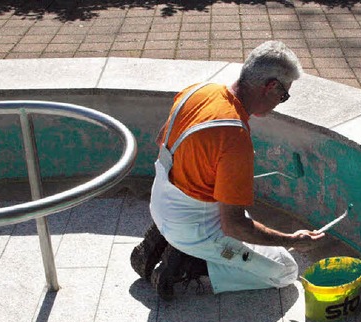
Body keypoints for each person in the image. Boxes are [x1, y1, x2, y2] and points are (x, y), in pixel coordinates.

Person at [130, 40, 325, 301]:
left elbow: (164, 142)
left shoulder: (198, 91)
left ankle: (173, 238)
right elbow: (234, 226)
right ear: (271, 86)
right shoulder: (234, 137)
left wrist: (217, 174)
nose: (281, 102)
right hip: (195, 227)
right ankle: (187, 263)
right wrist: (291, 238)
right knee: (285, 272)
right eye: (284, 95)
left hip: (162, 202)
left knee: (226, 218)